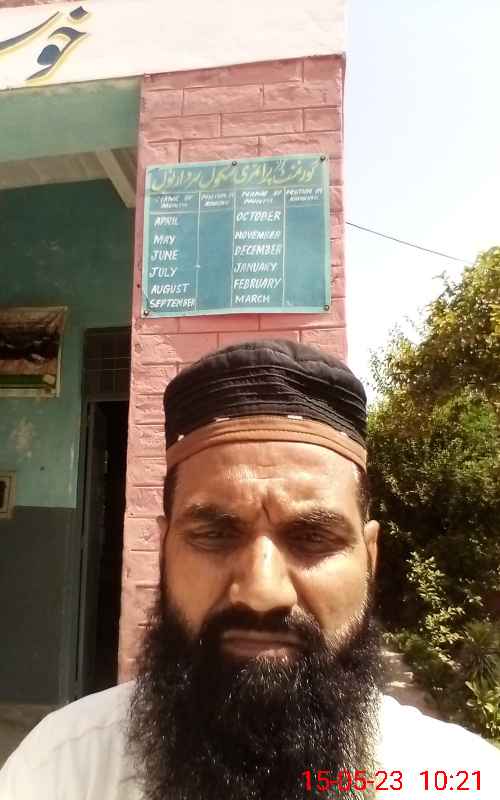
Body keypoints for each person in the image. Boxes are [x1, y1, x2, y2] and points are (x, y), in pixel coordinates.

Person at [1, 339, 498, 800]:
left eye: (312, 538)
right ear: (164, 548)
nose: (261, 592)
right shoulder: (58, 771)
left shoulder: (458, 778)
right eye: (216, 535)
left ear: (370, 558)